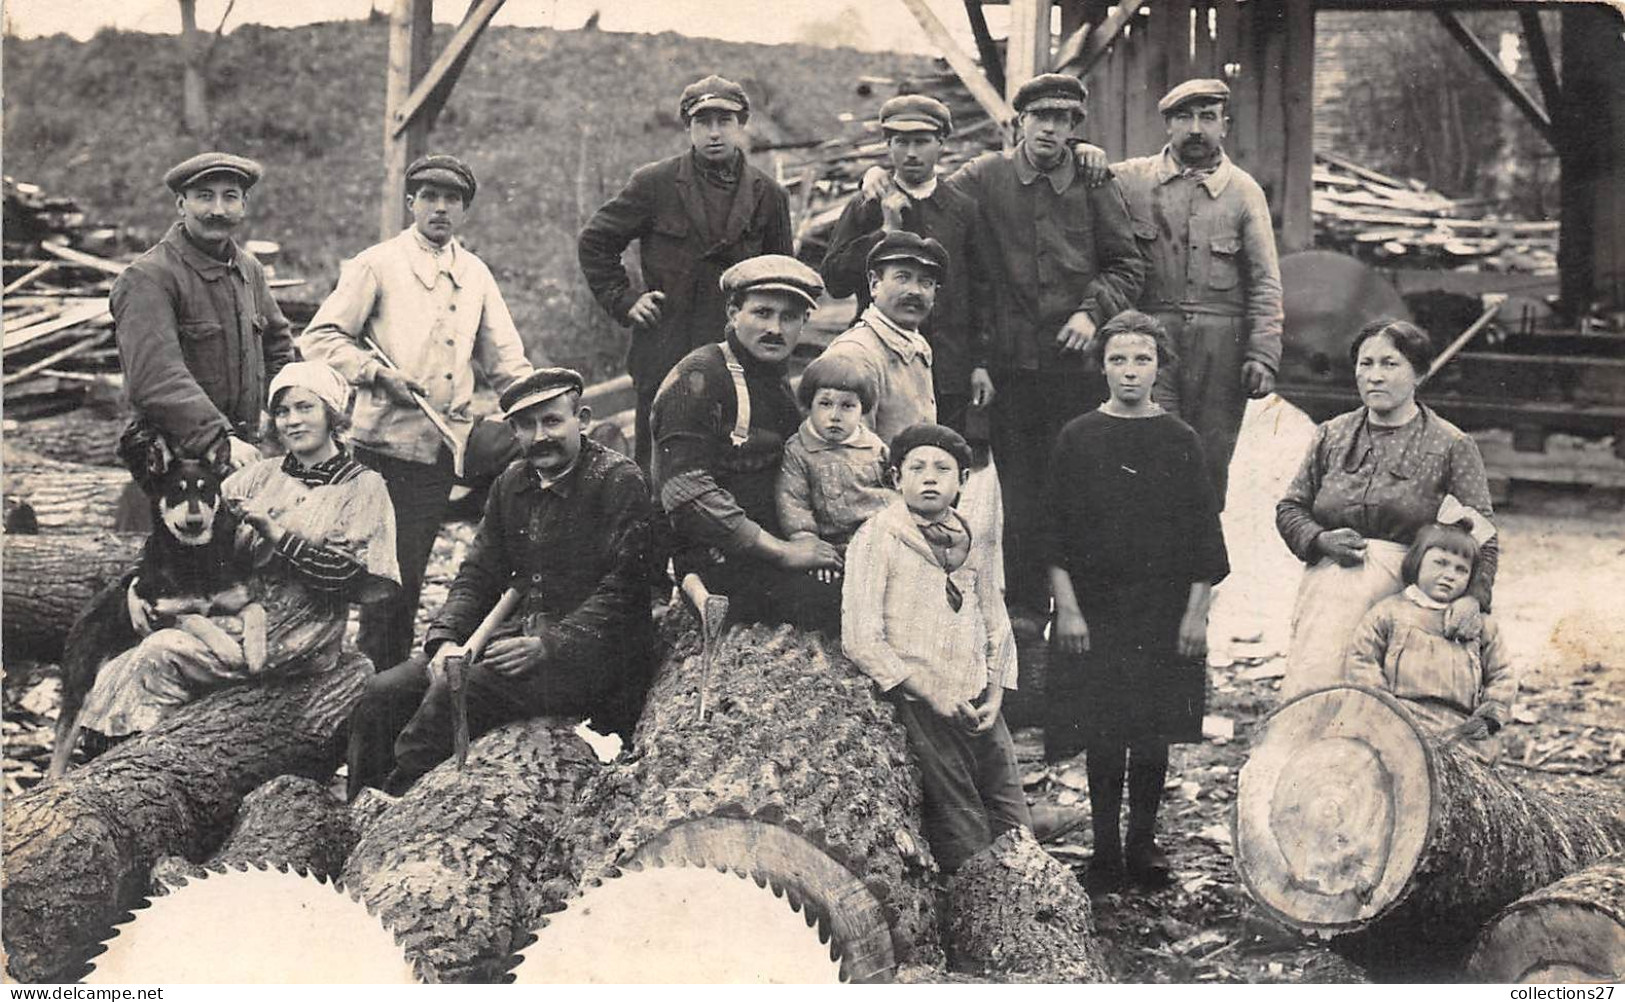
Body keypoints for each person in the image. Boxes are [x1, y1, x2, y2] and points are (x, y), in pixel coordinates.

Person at [347, 368, 656, 797]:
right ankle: (356, 811)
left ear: (581, 420)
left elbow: (628, 590)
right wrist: (445, 640)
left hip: (594, 659)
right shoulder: (512, 482)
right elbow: (478, 572)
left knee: (457, 694)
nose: (540, 436)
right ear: (513, 430)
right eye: (526, 425)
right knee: (384, 692)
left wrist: (550, 645)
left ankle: (395, 800)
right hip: (516, 641)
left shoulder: (618, 482)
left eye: (552, 421)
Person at [300, 154, 534, 678]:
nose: (440, 208)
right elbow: (318, 339)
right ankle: (369, 696)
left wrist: (539, 413)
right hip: (384, 449)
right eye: (429, 197)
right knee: (388, 586)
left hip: (444, 445)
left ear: (465, 211)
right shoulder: (377, 264)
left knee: (415, 570)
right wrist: (377, 374)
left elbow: (506, 362)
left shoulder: (474, 273)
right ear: (411, 203)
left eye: (452, 200)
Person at [77, 362, 400, 738]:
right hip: (235, 613)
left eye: (304, 407)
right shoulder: (259, 476)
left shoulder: (363, 489)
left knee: (160, 652)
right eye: (282, 411)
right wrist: (135, 584)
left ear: (332, 413)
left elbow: (355, 581)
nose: (292, 421)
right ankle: (123, 753)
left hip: (302, 631)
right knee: (124, 656)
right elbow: (185, 537)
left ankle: (138, 750)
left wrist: (278, 534)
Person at [937, 73, 1145, 619]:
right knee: (1023, 503)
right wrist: (875, 182)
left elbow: (1128, 265)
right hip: (1012, 372)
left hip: (1077, 373)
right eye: (1040, 117)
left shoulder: (1095, 182)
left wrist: (1090, 311)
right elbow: (930, 199)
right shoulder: (985, 176)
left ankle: (1084, 619)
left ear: (1076, 128)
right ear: (1018, 122)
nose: (1051, 128)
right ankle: (1027, 624)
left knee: (1082, 494)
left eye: (1064, 120)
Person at [1040, 311, 1229, 891]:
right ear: (1101, 365)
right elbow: (1053, 535)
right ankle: (1103, 849)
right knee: (1103, 730)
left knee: (1151, 730)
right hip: (1095, 612)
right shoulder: (1078, 436)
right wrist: (1067, 609)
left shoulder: (1180, 440)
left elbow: (1204, 539)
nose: (1129, 371)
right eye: (1118, 358)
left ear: (1159, 366)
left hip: (1162, 611)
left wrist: (1195, 618)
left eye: (1142, 359)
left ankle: (1142, 843)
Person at [579, 74, 794, 470]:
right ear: (688, 126)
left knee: (739, 463)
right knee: (658, 467)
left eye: (724, 121)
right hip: (667, 345)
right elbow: (595, 241)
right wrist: (624, 300)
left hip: (741, 353)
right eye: (703, 122)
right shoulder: (655, 184)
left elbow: (784, 280)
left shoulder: (769, 195)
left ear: (741, 124)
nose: (714, 133)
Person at [1276, 318, 1498, 699]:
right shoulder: (1332, 434)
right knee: (1317, 695)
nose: (1374, 376)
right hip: (1327, 599)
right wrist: (1321, 540)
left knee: (1383, 705)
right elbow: (1291, 507)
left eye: (1389, 364)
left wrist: (1472, 598)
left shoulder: (1450, 444)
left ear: (1419, 373)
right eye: (1366, 364)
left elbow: (1483, 537)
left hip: (1406, 603)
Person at [842, 423, 1028, 873]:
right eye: (917, 468)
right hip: (923, 706)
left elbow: (994, 619)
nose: (930, 478)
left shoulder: (971, 536)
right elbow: (861, 636)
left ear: (962, 481)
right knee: (966, 836)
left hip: (979, 701)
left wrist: (997, 692)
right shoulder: (877, 538)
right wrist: (928, 690)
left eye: (943, 469)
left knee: (1015, 825)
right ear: (895, 479)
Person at [1111, 79, 1284, 507]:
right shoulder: (1130, 181)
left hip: (1222, 349)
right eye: (1184, 118)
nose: (1195, 129)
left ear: (1224, 125)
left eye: (1207, 117)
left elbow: (1265, 279)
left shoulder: (1244, 193)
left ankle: (1198, 572)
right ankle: (1146, 568)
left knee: (1208, 462)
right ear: (1167, 124)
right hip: (1151, 341)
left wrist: (1263, 353)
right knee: (1147, 449)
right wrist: (1085, 153)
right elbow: (1082, 178)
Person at [650, 255, 844, 630]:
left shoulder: (774, 380)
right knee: (844, 603)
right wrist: (786, 553)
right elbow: (686, 493)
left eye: (789, 317)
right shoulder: (700, 376)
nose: (775, 328)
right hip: (718, 560)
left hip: (773, 544)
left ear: (804, 321)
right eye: (762, 313)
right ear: (733, 312)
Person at [113, 152, 295, 465]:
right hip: (175, 462)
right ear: (181, 205)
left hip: (242, 452)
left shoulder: (248, 269)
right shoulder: (148, 277)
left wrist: (281, 410)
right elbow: (155, 378)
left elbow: (277, 345)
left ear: (243, 205)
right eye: (205, 197)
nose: (218, 210)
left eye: (230, 197)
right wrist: (219, 438)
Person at [820, 95, 987, 434]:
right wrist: (884, 232)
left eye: (922, 142)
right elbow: (835, 280)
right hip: (881, 365)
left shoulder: (963, 210)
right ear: (888, 145)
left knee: (940, 464)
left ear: (940, 143)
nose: (911, 153)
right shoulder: (866, 203)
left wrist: (981, 364)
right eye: (902, 142)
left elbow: (982, 290)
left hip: (948, 368)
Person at [1346, 514, 1514, 761]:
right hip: (1401, 718)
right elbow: (1362, 658)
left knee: (1467, 771)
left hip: (1459, 727)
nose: (1450, 575)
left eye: (1461, 570)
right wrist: (1382, 705)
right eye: (1440, 563)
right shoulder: (1390, 611)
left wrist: (1489, 717)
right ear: (1417, 562)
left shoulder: (1480, 624)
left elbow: (1502, 673)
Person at [819, 231, 947, 444]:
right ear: (874, 283)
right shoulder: (855, 355)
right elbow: (847, 456)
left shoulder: (917, 345)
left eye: (926, 283)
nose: (915, 291)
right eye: (902, 278)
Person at [776, 352, 892, 559]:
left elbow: (896, 486)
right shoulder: (799, 450)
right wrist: (807, 540)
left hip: (881, 536)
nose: (835, 416)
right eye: (825, 404)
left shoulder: (873, 446)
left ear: (862, 409)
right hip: (833, 544)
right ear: (809, 404)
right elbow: (793, 502)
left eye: (847, 406)